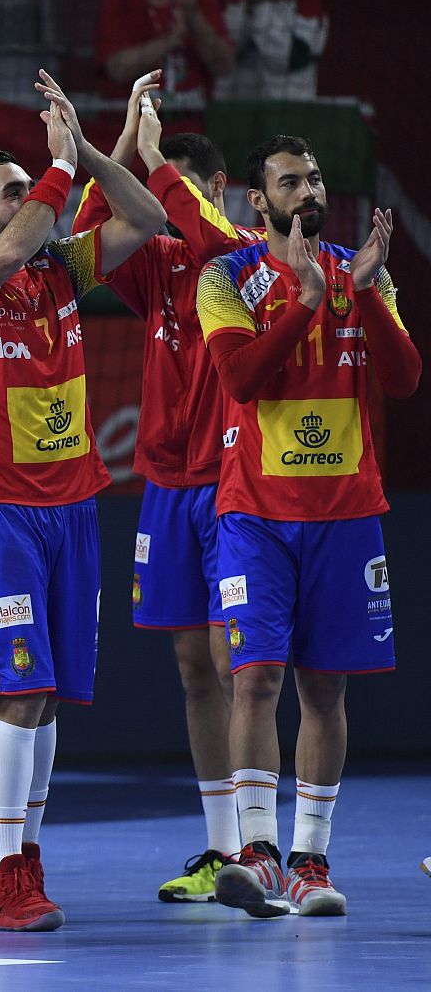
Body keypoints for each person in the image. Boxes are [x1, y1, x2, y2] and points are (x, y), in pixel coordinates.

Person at [0, 71, 165, 932]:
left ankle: (29, 857)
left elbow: (149, 220)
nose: (34, 200)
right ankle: (3, 878)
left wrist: (91, 150)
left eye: (34, 187)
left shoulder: (61, 268)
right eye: (12, 192)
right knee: (19, 692)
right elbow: (12, 251)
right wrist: (58, 174)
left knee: (49, 694)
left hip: (73, 503)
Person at [197, 136, 420, 918]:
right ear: (257, 201)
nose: (308, 189)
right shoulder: (225, 277)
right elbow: (240, 380)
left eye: (315, 177)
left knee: (325, 690)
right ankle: (256, 855)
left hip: (348, 517)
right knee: (253, 678)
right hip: (255, 516)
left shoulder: (367, 272)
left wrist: (358, 293)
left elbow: (403, 379)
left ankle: (311, 863)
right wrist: (305, 301)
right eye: (290, 181)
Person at [72, 72, 264, 904]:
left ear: (213, 188)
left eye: (168, 183)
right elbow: (81, 240)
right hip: (165, 484)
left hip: (233, 482)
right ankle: (222, 852)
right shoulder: (155, 267)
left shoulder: (247, 258)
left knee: (233, 658)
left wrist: (157, 158)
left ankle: (264, 846)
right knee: (193, 665)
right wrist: (119, 147)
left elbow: (214, 242)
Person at [96, 0, 233, 98]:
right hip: (131, 118)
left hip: (192, 117)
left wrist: (194, 17)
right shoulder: (117, 4)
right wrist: (171, 40)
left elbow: (225, 66)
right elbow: (117, 70)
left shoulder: (201, 0)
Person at [220, 0, 328, 100]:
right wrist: (250, 9)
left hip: (290, 109)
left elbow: (295, 58)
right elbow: (226, 55)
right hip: (241, 108)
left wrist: (263, 5)